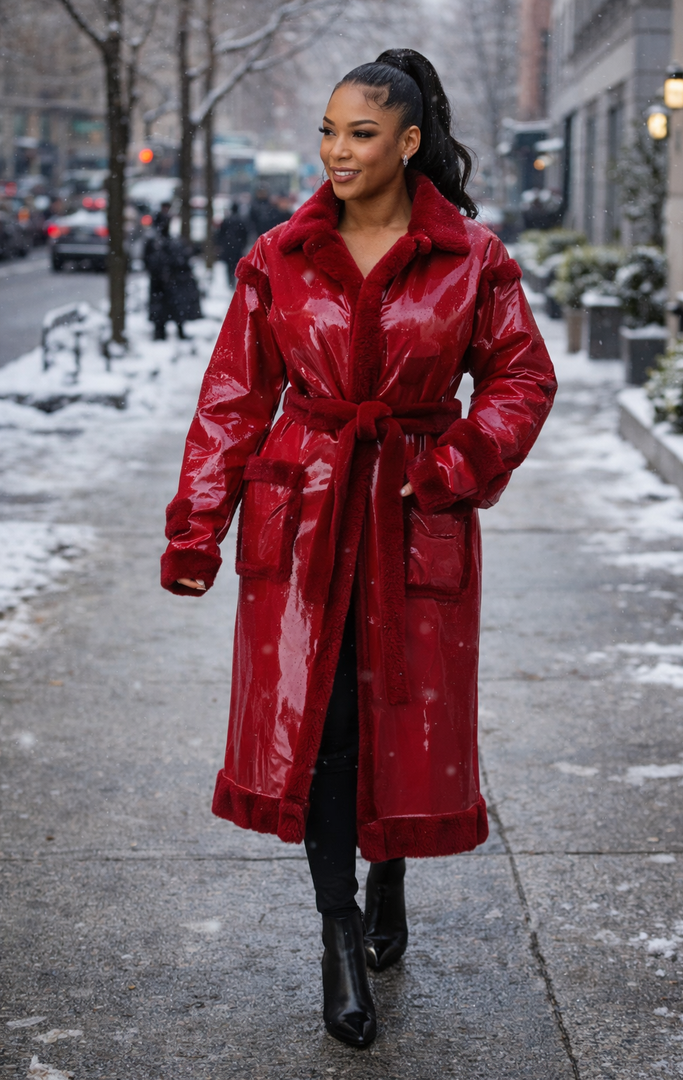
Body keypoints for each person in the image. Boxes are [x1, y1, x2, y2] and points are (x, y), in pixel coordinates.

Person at [161, 49, 556, 1048]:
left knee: (398, 716)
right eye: (329, 132)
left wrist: (456, 461)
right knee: (325, 725)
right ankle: (338, 935)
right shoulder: (277, 257)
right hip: (305, 517)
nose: (337, 151)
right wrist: (197, 525)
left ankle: (390, 875)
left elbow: (522, 379)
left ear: (409, 142)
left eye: (361, 133)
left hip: (416, 512)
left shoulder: (474, 259)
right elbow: (233, 398)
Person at [144, 205, 202, 340]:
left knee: (172, 308)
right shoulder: (156, 242)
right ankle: (161, 332)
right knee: (165, 309)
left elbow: (182, 260)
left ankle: (168, 331)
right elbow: (150, 261)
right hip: (162, 282)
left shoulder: (168, 241)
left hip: (169, 282)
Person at [215, 202, 248, 288]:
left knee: (229, 265)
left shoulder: (227, 220)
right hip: (238, 246)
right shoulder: (241, 220)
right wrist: (243, 244)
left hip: (228, 246)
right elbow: (245, 234)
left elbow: (220, 234)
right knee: (236, 264)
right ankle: (235, 280)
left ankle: (230, 281)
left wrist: (220, 244)